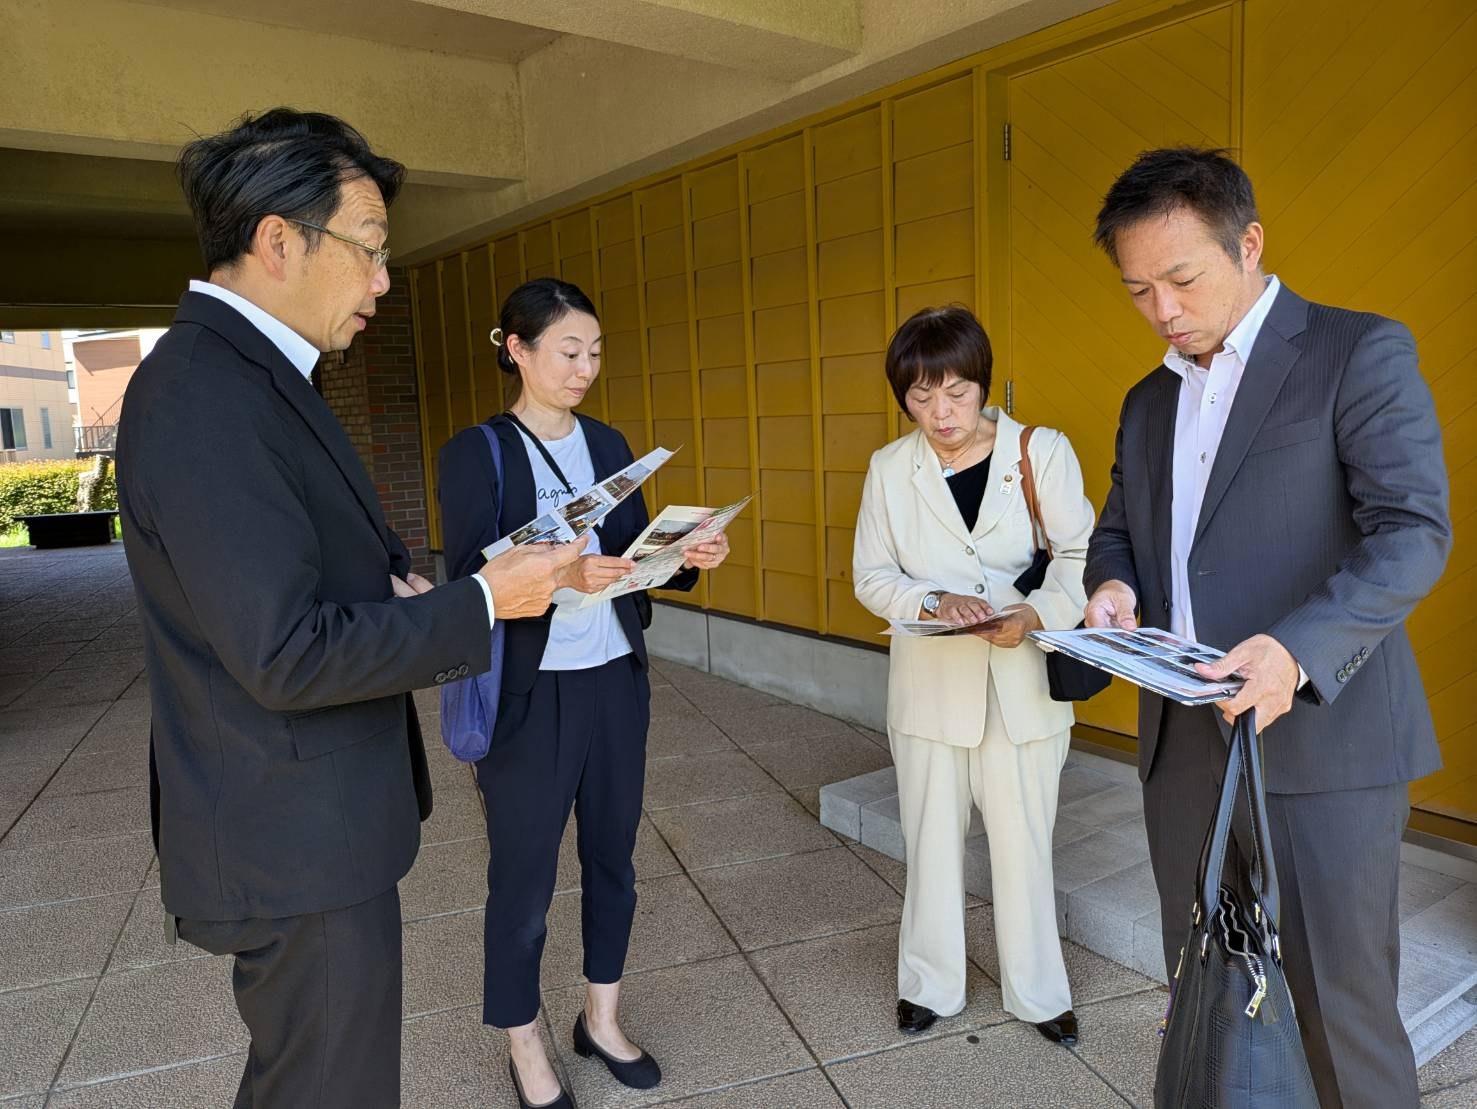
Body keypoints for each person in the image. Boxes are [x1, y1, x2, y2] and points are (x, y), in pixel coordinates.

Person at [115, 109, 582, 1109]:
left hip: (302, 825)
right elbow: (282, 651)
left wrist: (395, 590)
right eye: (368, 249)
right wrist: (480, 603)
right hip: (290, 839)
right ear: (277, 239)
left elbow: (281, 582)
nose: (381, 280)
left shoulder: (252, 378)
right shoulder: (206, 394)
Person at [1083, 147, 1450, 1108]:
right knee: (1209, 990)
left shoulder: (1353, 349)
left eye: (1180, 278)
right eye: (1136, 290)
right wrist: (1112, 589)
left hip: (1322, 744)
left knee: (1337, 1010)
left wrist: (1297, 647)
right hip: (1186, 744)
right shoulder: (1146, 400)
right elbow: (1119, 530)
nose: (1161, 309)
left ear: (1247, 244)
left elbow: (1412, 531)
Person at [437, 277, 731, 1109]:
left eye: (594, 352)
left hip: (612, 680)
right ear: (516, 349)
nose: (584, 367)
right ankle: (522, 1039)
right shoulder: (479, 452)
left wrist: (681, 559)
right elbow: (468, 584)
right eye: (568, 351)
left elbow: (629, 560)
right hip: (529, 695)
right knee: (523, 878)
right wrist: (559, 571)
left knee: (613, 857)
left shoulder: (607, 442)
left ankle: (600, 1019)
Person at [852, 306, 1096, 1046]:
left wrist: (1032, 615)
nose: (939, 413)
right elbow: (870, 575)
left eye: (954, 393)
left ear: (982, 384)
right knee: (928, 841)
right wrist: (930, 598)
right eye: (920, 398)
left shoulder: (1038, 451)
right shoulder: (890, 468)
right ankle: (929, 983)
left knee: (1024, 841)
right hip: (928, 686)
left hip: (1019, 683)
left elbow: (1081, 557)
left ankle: (1038, 991)